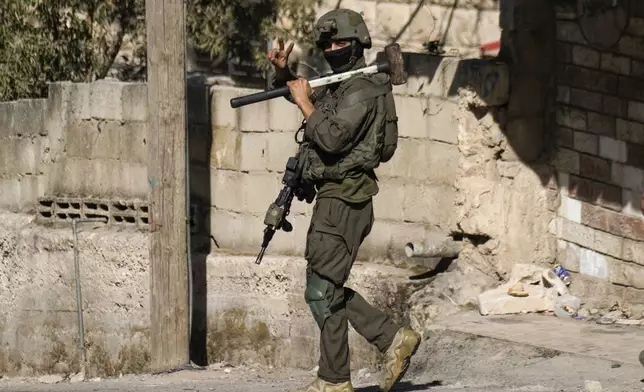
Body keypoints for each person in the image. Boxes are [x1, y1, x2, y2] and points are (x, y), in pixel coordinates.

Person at [268, 8, 421, 392]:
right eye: (328, 44)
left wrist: (306, 103)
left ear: (359, 43)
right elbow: (305, 96)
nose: (334, 49)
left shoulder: (363, 90)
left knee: (322, 292)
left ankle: (341, 376)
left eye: (341, 42)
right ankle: (373, 352)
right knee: (324, 291)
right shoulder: (343, 85)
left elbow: (333, 136)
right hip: (336, 198)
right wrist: (285, 75)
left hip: (345, 199)